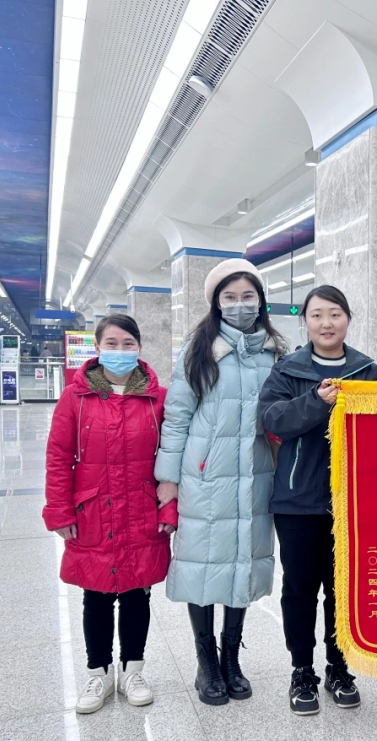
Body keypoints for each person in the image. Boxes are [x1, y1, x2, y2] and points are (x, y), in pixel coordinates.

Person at [155, 258, 286, 706]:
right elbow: (177, 417)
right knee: (203, 565)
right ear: (216, 303)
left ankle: (231, 658)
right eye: (229, 297)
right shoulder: (199, 349)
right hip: (206, 476)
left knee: (243, 563)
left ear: (261, 301)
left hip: (257, 475)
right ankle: (206, 662)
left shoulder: (276, 351)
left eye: (248, 296)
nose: (239, 304)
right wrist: (168, 480)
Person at [260, 285, 377, 715]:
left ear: (348, 319)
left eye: (335, 314)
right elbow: (272, 419)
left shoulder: (370, 371)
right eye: (317, 315)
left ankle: (338, 667)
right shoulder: (287, 370)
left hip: (353, 503)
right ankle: (301, 670)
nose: (326, 323)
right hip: (297, 500)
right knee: (299, 590)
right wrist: (315, 401)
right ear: (306, 322)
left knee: (343, 590)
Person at [43, 313, 177, 714]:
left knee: (137, 591)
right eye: (112, 344)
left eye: (128, 344)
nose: (120, 351)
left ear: (139, 347)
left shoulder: (158, 399)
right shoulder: (75, 398)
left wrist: (170, 506)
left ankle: (133, 670)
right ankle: (98, 672)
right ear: (98, 348)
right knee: (97, 593)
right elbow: (58, 457)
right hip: (92, 510)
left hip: (141, 507)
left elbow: (173, 458)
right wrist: (59, 510)